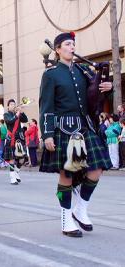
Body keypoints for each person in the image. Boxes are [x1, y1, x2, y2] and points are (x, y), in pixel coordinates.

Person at [39, 32, 112, 238]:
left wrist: (108, 87)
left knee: (97, 168)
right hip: (63, 129)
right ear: (58, 49)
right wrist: (47, 134)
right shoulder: (51, 74)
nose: (72, 47)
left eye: (73, 44)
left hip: (85, 127)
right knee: (67, 175)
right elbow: (46, 107)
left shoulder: (83, 71)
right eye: (68, 44)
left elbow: (94, 97)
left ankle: (80, 208)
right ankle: (66, 219)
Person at [3, 99, 28, 185]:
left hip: (19, 138)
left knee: (22, 159)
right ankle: (12, 178)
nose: (13, 105)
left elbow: (25, 120)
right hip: (11, 138)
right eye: (11, 104)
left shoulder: (18, 113)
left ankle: (16, 172)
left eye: (14, 104)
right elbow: (10, 121)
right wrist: (17, 114)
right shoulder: (6, 114)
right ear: (8, 106)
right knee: (12, 159)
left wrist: (21, 111)